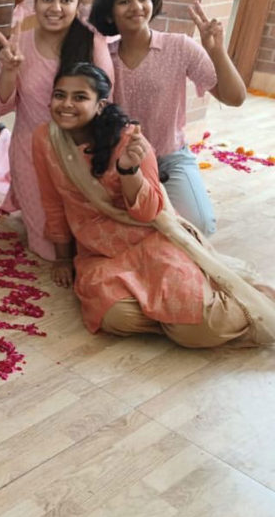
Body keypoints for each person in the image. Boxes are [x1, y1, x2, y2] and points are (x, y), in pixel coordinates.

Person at [32, 63, 274, 347]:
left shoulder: (128, 140)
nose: (66, 104)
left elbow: (149, 212)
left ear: (100, 105)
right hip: (100, 252)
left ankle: (215, 307)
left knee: (198, 332)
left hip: (151, 239)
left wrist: (128, 170)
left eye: (80, 97)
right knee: (115, 318)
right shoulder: (46, 138)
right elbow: (52, 200)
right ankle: (175, 317)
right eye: (60, 95)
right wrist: (63, 258)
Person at [88, 0, 248, 235]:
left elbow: (235, 97)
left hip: (170, 158)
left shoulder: (179, 47)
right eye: (124, 1)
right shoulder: (104, 55)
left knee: (198, 227)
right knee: (125, 228)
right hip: (122, 161)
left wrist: (216, 50)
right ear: (109, 13)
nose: (137, 6)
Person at [0, 0, 114, 259]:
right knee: (53, 252)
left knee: (94, 245)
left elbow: (107, 104)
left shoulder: (91, 43)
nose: (55, 8)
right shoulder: (20, 44)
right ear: (35, 1)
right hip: (31, 154)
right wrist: (9, 71)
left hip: (81, 155)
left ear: (78, 3)